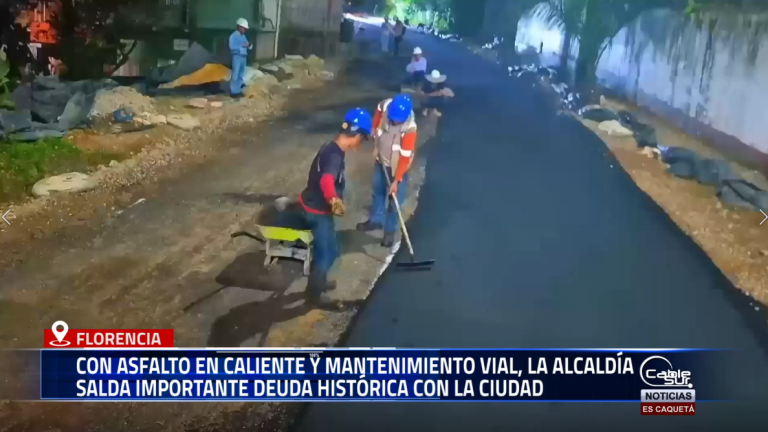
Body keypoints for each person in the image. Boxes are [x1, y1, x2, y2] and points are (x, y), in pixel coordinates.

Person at [299, 108, 373, 304]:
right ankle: (314, 296)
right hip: (317, 211)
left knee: (330, 250)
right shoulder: (335, 156)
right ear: (357, 135)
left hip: (313, 205)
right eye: (362, 138)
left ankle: (319, 282)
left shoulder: (330, 146)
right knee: (325, 254)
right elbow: (326, 180)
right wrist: (334, 199)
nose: (360, 143)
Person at [356, 94, 417, 248]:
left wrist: (396, 181)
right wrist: (374, 128)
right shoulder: (387, 106)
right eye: (393, 118)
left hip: (397, 168)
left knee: (394, 202)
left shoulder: (409, 130)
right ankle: (376, 221)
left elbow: (404, 158)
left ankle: (389, 232)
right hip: (381, 162)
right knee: (378, 192)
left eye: (397, 120)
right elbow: (378, 110)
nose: (394, 121)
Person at [228, 18, 251, 98]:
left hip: (243, 57)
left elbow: (247, 44)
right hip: (237, 56)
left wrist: (248, 45)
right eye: (243, 28)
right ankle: (233, 91)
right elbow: (231, 46)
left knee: (241, 74)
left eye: (245, 28)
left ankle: (237, 90)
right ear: (239, 27)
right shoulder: (233, 36)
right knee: (235, 74)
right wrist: (242, 46)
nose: (244, 30)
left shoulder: (243, 36)